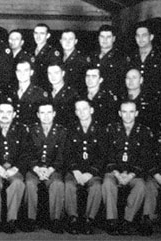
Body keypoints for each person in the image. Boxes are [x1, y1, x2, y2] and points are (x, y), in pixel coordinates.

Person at [102, 100, 153, 235]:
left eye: (131, 112)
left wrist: (130, 175)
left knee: (141, 186)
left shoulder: (144, 131)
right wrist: (117, 174)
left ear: (136, 113)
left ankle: (127, 221)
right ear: (120, 113)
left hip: (133, 174)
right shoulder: (111, 129)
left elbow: (144, 158)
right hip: (114, 171)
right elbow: (107, 154)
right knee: (107, 183)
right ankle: (111, 220)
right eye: (124, 112)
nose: (128, 115)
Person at [0, 101, 28, 233]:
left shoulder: (21, 130)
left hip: (14, 168)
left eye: (8, 112)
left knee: (17, 183)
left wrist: (15, 168)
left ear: (14, 114)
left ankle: (11, 220)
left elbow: (25, 152)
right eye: (2, 112)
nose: (5, 115)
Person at [24, 103, 66, 233]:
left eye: (49, 113)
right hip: (34, 169)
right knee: (30, 183)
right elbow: (27, 153)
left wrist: (50, 170)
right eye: (42, 113)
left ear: (54, 114)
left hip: (52, 169)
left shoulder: (61, 131)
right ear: (38, 115)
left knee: (57, 184)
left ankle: (56, 220)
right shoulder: (31, 130)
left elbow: (62, 155)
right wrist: (36, 169)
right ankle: (30, 219)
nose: (46, 116)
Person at [64, 99, 104, 235]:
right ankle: (73, 219)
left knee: (97, 187)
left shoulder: (100, 129)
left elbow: (103, 155)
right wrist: (75, 171)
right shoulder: (70, 129)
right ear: (75, 112)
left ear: (91, 110)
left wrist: (90, 173)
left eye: (85, 109)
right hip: (75, 171)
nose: (82, 112)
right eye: (78, 110)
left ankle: (89, 220)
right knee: (68, 184)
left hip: (92, 172)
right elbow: (67, 153)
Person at [89, 25, 128, 96]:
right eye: (102, 37)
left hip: (112, 98)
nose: (105, 40)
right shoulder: (92, 56)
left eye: (108, 37)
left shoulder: (120, 58)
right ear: (98, 38)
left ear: (113, 39)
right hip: (93, 96)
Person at [142, 117, 161, 236]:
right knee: (150, 185)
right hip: (158, 175)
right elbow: (149, 160)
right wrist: (158, 176)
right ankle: (148, 219)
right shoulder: (154, 141)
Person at [130, 24, 161, 101]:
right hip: (135, 101)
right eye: (138, 36)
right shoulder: (130, 57)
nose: (140, 39)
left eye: (144, 35)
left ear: (151, 37)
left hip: (157, 101)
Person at [122, 68, 161, 133]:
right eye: (128, 78)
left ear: (141, 80)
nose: (130, 81)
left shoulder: (151, 101)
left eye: (134, 78)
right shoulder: (120, 99)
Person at [12, 60, 48, 125]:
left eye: (25, 70)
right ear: (16, 73)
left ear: (31, 72)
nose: (22, 74)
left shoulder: (39, 94)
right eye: (19, 71)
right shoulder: (11, 92)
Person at [47, 62, 79, 128]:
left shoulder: (71, 95)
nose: (53, 77)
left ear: (63, 73)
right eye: (50, 73)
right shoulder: (46, 93)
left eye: (56, 73)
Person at [31, 23, 60, 91]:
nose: (38, 36)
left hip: (45, 89)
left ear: (48, 35)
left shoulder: (52, 53)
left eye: (42, 33)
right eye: (36, 33)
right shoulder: (30, 51)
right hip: (32, 90)